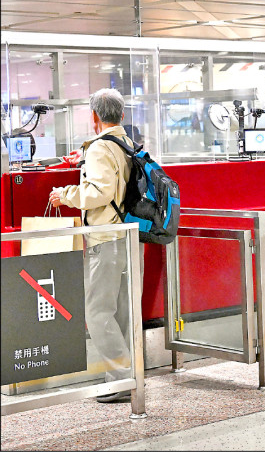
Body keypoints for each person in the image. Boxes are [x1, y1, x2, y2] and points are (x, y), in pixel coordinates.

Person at [48, 88, 136, 403]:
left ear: (94, 116)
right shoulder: (127, 143)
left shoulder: (101, 147)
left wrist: (65, 195)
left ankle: (121, 379)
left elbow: (99, 192)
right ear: (122, 115)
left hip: (105, 239)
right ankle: (127, 376)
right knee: (121, 312)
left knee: (97, 312)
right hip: (127, 237)